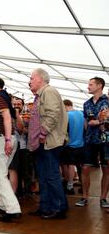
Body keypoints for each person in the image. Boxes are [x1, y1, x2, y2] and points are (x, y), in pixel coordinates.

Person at [27, 68, 68, 219]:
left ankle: (58, 208)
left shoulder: (48, 91)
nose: (29, 81)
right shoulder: (40, 95)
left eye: (32, 78)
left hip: (48, 142)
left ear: (40, 79)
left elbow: (52, 114)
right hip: (42, 143)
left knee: (51, 176)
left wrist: (43, 133)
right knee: (43, 177)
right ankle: (46, 206)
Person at [0, 77, 22, 222]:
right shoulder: (5, 97)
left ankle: (13, 209)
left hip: (2, 139)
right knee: (1, 174)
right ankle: (3, 204)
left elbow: (7, 118)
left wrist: (7, 140)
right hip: (8, 138)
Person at [75, 77, 109, 208]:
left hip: (105, 140)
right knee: (85, 168)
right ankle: (84, 197)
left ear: (99, 85)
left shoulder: (107, 101)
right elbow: (86, 122)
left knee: (106, 169)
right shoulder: (86, 103)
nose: (88, 87)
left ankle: (103, 198)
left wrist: (99, 122)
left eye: (90, 84)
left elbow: (102, 121)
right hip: (89, 140)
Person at [60, 100, 84, 195]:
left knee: (69, 165)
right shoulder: (81, 113)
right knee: (80, 166)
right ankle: (83, 185)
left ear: (66, 106)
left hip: (70, 144)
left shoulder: (67, 115)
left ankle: (69, 186)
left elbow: (64, 131)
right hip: (81, 144)